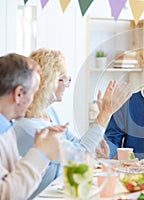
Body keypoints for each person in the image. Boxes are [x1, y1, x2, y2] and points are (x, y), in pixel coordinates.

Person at [13, 48, 131, 198]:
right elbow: (80, 154)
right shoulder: (29, 126)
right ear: (49, 81)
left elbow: (78, 145)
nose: (67, 85)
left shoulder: (49, 114)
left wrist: (96, 151)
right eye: (64, 78)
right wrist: (106, 113)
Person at [0, 53, 67, 199]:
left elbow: (18, 180)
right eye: (34, 92)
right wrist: (40, 153)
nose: (33, 100)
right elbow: (7, 195)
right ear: (18, 94)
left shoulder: (7, 128)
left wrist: (42, 152)